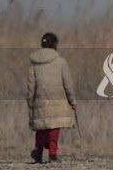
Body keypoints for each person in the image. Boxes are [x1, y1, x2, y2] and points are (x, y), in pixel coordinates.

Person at [26, 32, 76, 163]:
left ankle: (38, 152)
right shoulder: (61, 62)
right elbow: (68, 83)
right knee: (54, 127)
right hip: (58, 100)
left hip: (39, 99)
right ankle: (53, 154)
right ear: (55, 45)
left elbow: (31, 85)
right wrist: (72, 101)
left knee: (41, 127)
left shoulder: (34, 63)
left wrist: (30, 101)